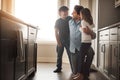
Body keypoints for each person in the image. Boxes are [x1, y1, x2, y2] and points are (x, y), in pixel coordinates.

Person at [69, 5, 95, 80]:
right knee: (75, 71)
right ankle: (84, 70)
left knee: (91, 52)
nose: (71, 13)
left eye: (73, 12)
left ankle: (86, 71)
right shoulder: (69, 22)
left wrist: (90, 32)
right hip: (73, 48)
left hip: (83, 45)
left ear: (79, 14)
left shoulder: (85, 21)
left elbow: (94, 36)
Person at [54, 6, 72, 73]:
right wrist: (58, 42)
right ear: (60, 12)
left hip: (69, 41)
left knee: (70, 55)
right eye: (63, 11)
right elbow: (56, 32)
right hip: (60, 40)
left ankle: (73, 68)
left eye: (66, 11)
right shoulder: (58, 21)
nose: (65, 12)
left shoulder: (70, 19)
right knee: (59, 55)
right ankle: (58, 68)